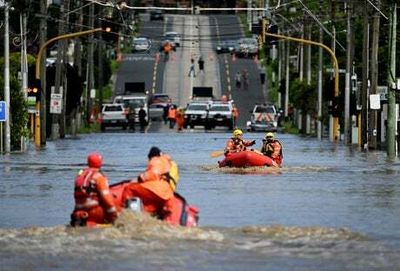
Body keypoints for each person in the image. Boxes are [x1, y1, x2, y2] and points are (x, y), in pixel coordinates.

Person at [121, 147, 179, 218]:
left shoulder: (156, 160)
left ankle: (124, 214)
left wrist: (138, 179)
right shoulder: (171, 164)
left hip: (158, 190)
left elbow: (152, 174)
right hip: (168, 194)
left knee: (128, 188)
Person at [70, 152, 118, 227]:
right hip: (94, 213)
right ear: (100, 163)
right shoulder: (98, 176)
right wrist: (115, 216)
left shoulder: (79, 176)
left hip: (77, 213)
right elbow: (107, 199)